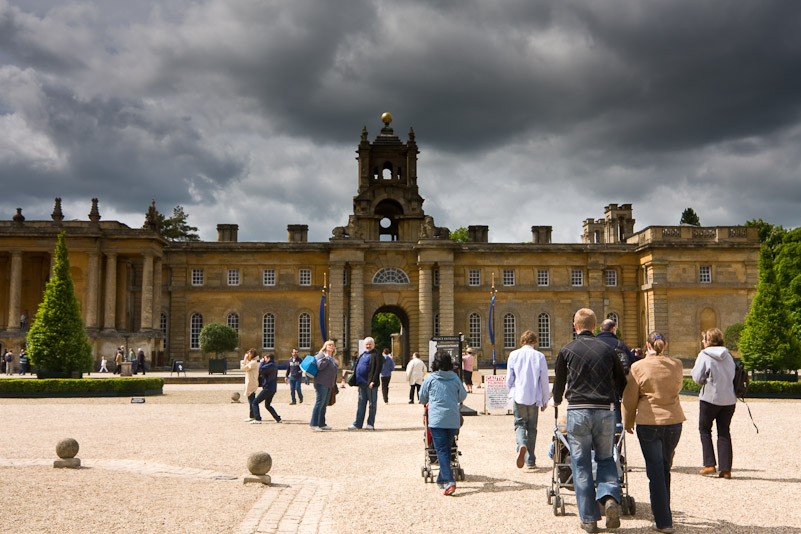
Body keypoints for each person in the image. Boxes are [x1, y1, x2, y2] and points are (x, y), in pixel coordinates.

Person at [552, 308, 627, 533]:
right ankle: (609, 497)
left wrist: (556, 401)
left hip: (578, 411)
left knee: (581, 463)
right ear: (594, 326)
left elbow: (559, 384)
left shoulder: (567, 350)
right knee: (606, 458)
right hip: (604, 411)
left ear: (575, 327)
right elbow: (621, 382)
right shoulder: (608, 349)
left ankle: (589, 519)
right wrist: (613, 395)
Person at [622, 331, 685, 534]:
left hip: (649, 422)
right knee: (665, 467)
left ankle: (664, 521)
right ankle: (665, 514)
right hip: (674, 421)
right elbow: (677, 387)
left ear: (647, 346)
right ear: (665, 345)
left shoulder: (638, 367)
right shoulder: (677, 365)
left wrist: (627, 422)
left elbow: (630, 398)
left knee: (655, 471)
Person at [419, 350, 467, 496]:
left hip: (437, 419)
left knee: (441, 450)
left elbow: (422, 397)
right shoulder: (455, 378)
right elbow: (462, 396)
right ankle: (441, 479)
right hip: (453, 419)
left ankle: (449, 482)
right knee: (446, 448)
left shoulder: (431, 378)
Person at [692, 327, 737, 479]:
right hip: (729, 399)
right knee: (724, 431)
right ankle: (726, 469)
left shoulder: (704, 354)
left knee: (705, 429)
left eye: (704, 339)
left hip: (710, 398)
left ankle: (709, 464)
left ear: (708, 341)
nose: (702, 342)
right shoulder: (728, 355)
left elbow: (698, 378)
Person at [507, 330, 549, 470]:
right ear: (534, 342)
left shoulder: (513, 355)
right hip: (533, 397)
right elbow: (544, 380)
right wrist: (544, 400)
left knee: (519, 425)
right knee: (532, 428)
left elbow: (509, 379)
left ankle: (522, 444)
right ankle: (530, 460)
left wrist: (510, 392)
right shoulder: (540, 356)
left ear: (522, 341)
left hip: (519, 395)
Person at [596, 318, 636, 423]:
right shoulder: (620, 344)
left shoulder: (593, 343)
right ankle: (617, 436)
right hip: (614, 388)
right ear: (614, 329)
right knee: (616, 414)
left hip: (596, 387)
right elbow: (632, 363)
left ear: (601, 329)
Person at [348, 337, 383, 430]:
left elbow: (377, 369)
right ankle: (358, 424)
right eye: (366, 344)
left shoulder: (376, 354)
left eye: (370, 344)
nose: (368, 346)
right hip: (361, 384)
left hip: (370, 384)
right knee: (361, 404)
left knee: (372, 405)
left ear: (373, 345)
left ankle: (370, 424)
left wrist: (373, 381)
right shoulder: (363, 354)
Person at [310, 340, 338, 431]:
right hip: (321, 383)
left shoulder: (332, 357)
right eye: (329, 345)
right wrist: (326, 359)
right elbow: (320, 366)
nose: (331, 346)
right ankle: (314, 424)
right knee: (319, 403)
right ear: (325, 347)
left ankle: (321, 423)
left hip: (329, 384)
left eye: (332, 345)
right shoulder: (321, 355)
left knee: (324, 404)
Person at [252, 353, 281, 424]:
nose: (264, 360)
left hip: (267, 388)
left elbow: (261, 370)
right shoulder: (273, 365)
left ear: (268, 358)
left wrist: (261, 363)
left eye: (265, 358)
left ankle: (258, 419)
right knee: (267, 405)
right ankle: (277, 418)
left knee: (255, 403)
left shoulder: (270, 365)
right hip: (272, 388)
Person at [240, 349, 261, 422]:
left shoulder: (254, 363)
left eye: (249, 354)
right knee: (251, 400)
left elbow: (243, 368)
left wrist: (244, 360)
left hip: (252, 383)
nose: (247, 355)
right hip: (250, 382)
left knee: (252, 400)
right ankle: (252, 416)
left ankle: (255, 416)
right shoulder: (252, 362)